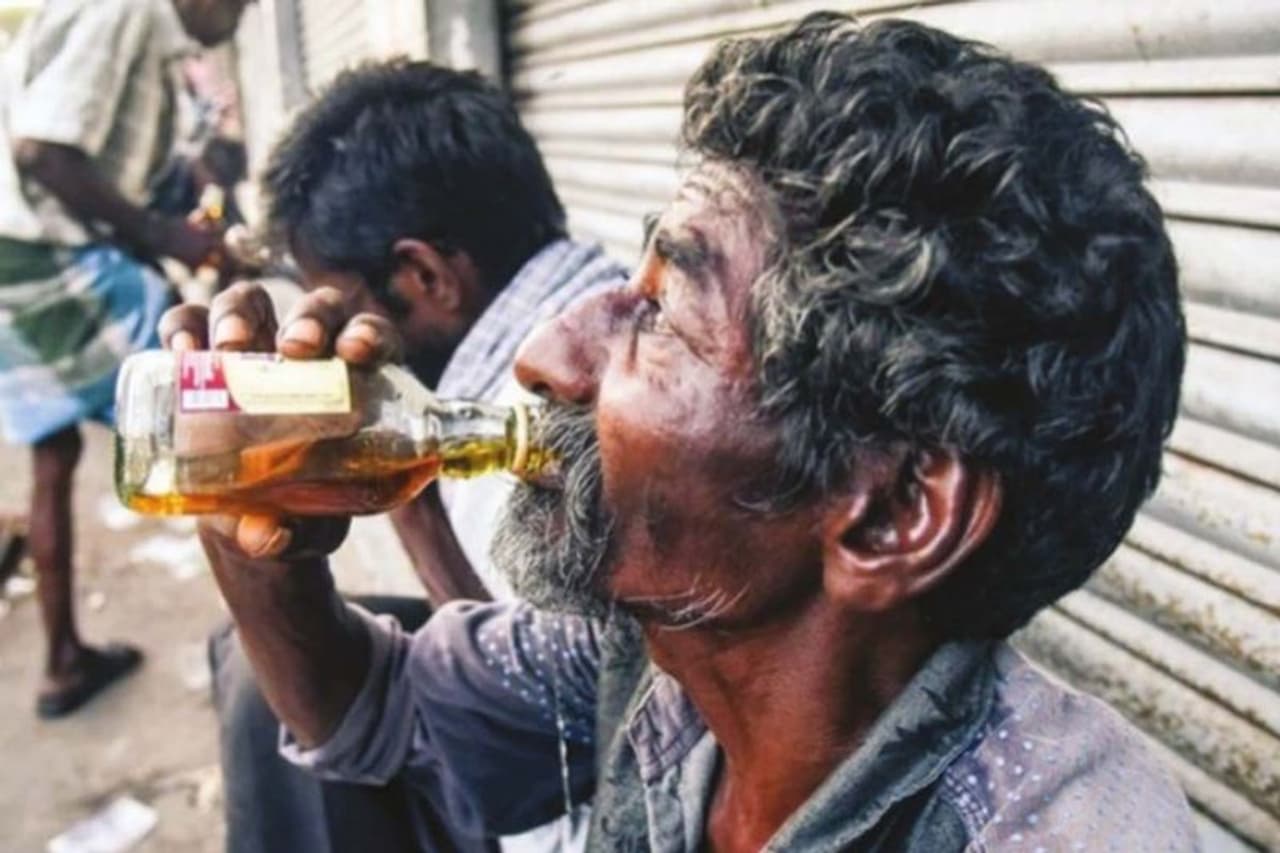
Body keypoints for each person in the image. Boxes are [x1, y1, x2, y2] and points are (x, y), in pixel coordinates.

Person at [164, 14, 1196, 851]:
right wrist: (250, 512)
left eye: (658, 314)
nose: (547, 354)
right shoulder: (660, 646)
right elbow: (371, 708)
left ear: (889, 510)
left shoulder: (1060, 833)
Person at [195, 61, 625, 852]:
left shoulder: (544, 430)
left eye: (337, 294)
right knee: (255, 645)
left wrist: (409, 496)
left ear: (424, 274)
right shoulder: (598, 292)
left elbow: (543, 754)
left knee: (269, 690)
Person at [0, 0, 252, 718]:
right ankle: (276, 650)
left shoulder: (143, 34)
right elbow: (42, 150)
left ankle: (62, 664)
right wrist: (161, 237)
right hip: (41, 258)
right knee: (207, 426)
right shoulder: (125, 8)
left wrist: (179, 212)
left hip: (14, 255)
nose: (249, 11)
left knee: (54, 456)